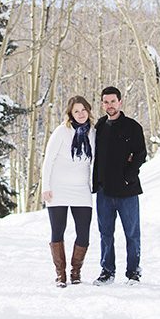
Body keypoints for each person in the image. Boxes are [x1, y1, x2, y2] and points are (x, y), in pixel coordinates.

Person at [92, 86, 147, 285]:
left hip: (127, 190)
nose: (110, 105)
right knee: (105, 233)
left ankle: (133, 272)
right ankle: (107, 271)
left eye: (113, 101)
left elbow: (140, 154)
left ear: (120, 102)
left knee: (132, 234)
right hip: (104, 192)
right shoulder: (99, 127)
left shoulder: (132, 127)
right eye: (106, 102)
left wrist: (128, 176)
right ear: (102, 104)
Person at [41, 95, 95, 287]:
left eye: (83, 110)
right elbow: (48, 160)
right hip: (58, 189)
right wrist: (45, 187)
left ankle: (76, 272)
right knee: (58, 231)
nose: (81, 114)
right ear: (70, 114)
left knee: (84, 233)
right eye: (76, 111)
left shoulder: (93, 133)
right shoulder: (61, 132)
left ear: (88, 111)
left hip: (81, 189)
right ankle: (60, 274)